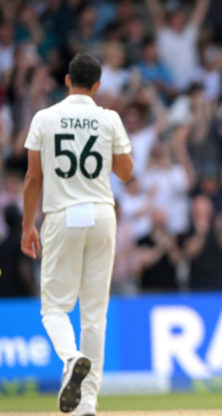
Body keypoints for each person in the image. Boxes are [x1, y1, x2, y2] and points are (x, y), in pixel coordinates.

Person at [20, 53, 134, 416]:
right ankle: (87, 402)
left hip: (62, 215)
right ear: (98, 85)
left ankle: (71, 358)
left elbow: (33, 178)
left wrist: (27, 225)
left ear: (67, 80)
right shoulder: (109, 118)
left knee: (54, 307)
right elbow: (126, 172)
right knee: (94, 313)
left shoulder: (45, 118)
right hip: (102, 213)